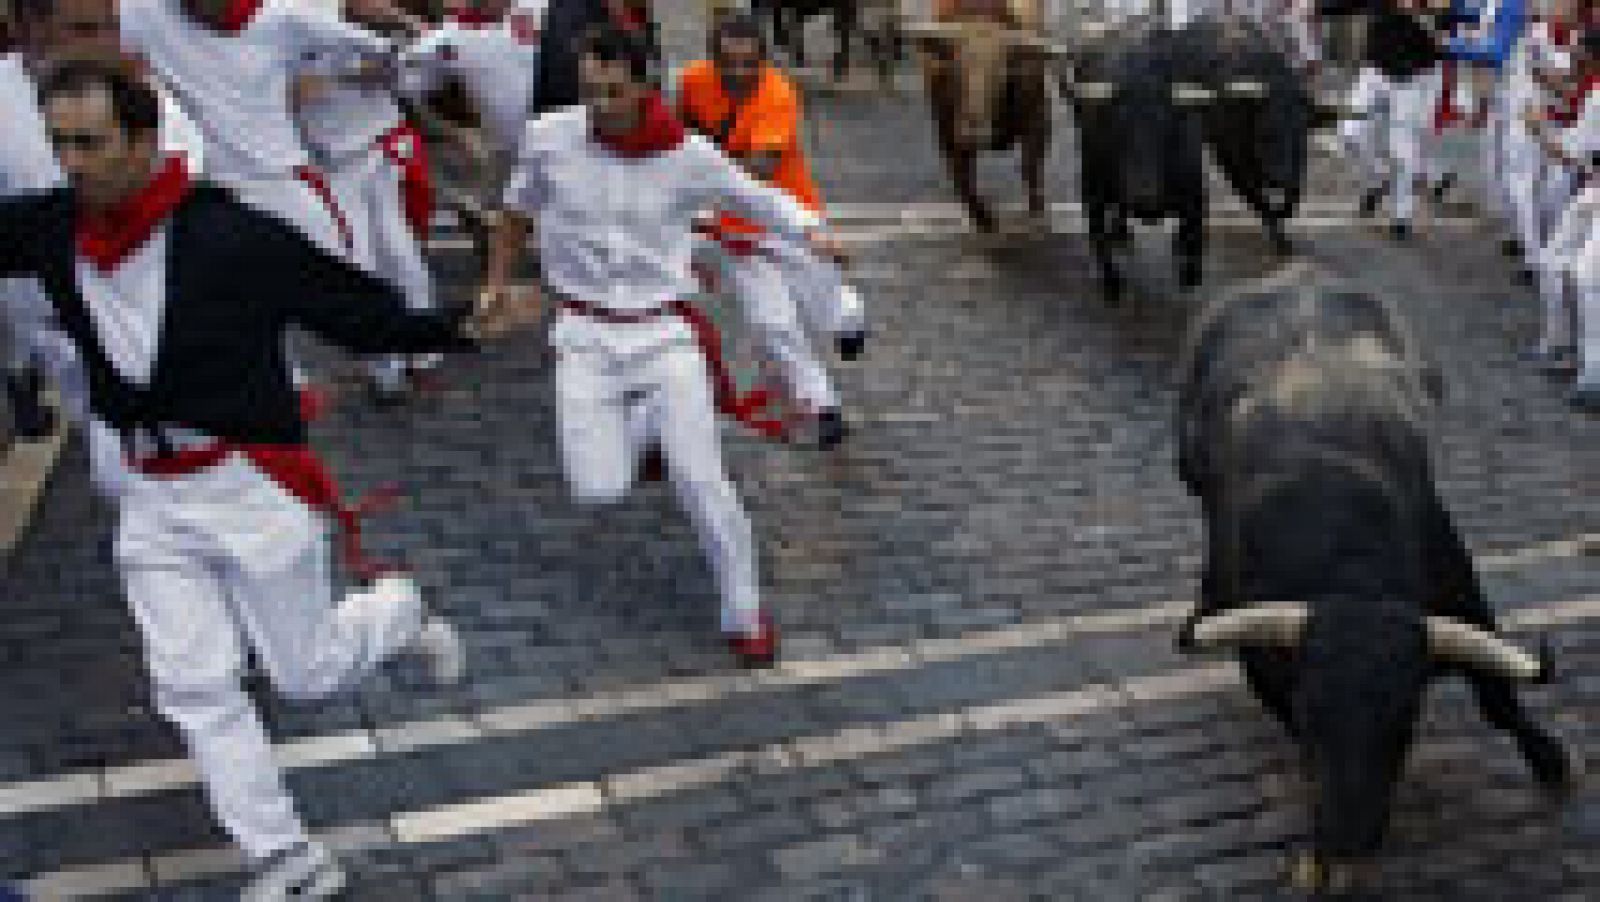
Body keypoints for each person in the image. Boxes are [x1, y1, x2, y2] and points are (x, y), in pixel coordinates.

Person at [0, 62, 534, 899]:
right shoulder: (51, 229)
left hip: (249, 483)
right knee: (193, 684)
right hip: (151, 496)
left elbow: (353, 309)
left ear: (143, 142)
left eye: (90, 144)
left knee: (305, 674)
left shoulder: (229, 236)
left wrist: (464, 322)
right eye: (59, 143)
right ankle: (286, 856)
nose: (71, 164)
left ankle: (397, 612)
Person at [482, 25, 846, 666]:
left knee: (704, 483)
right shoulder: (550, 139)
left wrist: (812, 231)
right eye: (590, 92)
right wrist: (496, 283)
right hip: (584, 339)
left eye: (614, 93)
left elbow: (755, 197)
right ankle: (648, 429)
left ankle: (745, 611)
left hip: (663, 334)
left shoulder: (690, 156)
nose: (600, 107)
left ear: (646, 84)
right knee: (598, 489)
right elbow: (514, 213)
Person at [676, 13, 864, 449]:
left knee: (826, 308)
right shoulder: (691, 82)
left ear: (763, 60)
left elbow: (763, 167)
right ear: (712, 60)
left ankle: (850, 320)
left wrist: (703, 174)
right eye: (729, 63)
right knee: (772, 321)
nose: (740, 73)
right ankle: (822, 406)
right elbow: (683, 132)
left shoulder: (779, 93)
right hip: (734, 231)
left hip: (788, 222)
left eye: (749, 64)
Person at [293, 0, 444, 405]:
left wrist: (407, 29)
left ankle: (415, 357)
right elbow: (283, 92)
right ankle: (392, 365)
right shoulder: (271, 17)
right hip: (334, 158)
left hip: (374, 146)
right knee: (363, 260)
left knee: (393, 252)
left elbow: (376, 38)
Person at [1528, 25, 1598, 406]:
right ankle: (1564, 347)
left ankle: (1591, 372)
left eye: (1579, 52)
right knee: (1559, 263)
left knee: (1587, 276)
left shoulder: (1598, 94)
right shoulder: (1593, 93)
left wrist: (1538, 130)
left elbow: (1571, 153)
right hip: (1592, 190)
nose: (1573, 58)